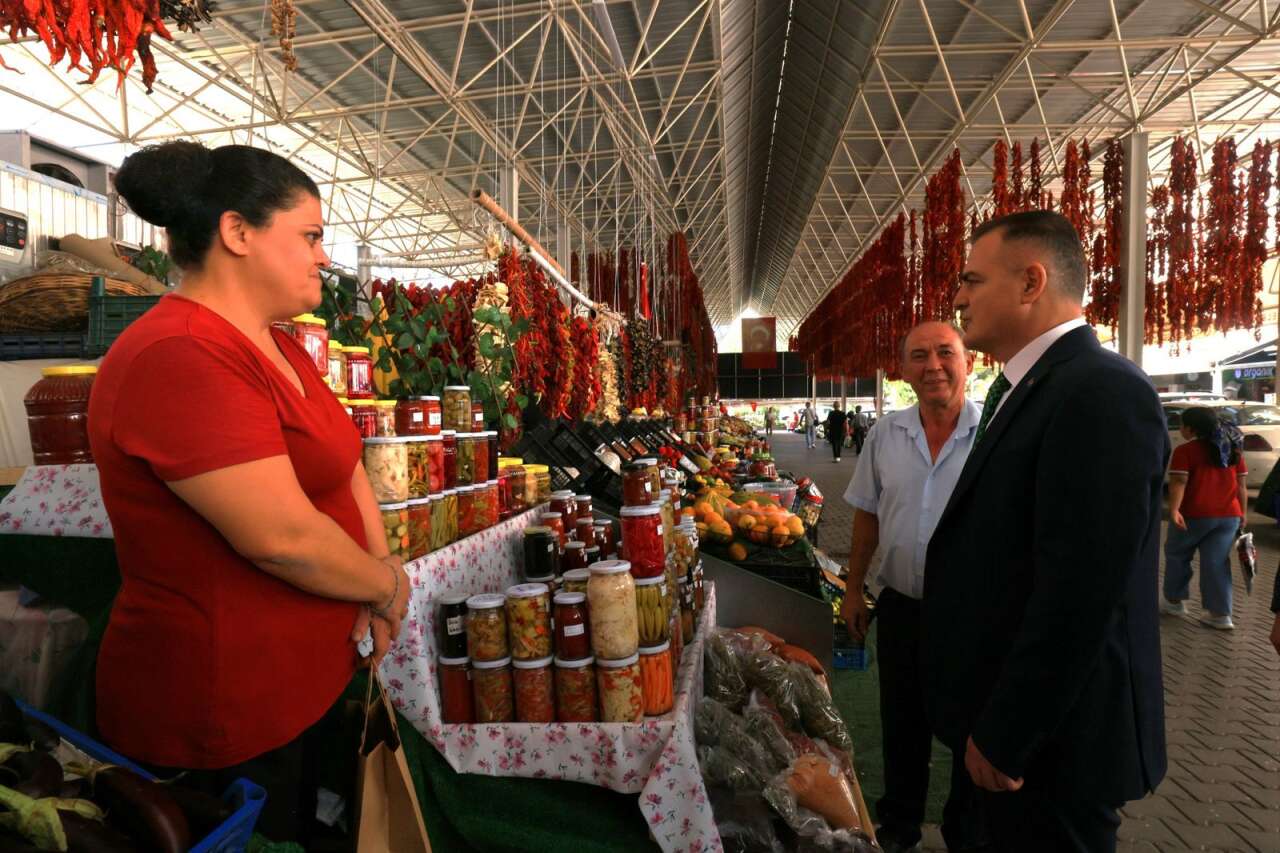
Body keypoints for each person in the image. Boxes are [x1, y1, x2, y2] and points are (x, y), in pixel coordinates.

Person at [87, 141, 411, 843]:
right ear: (238, 233)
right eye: (311, 236)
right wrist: (385, 587)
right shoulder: (182, 353)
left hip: (294, 688)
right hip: (219, 712)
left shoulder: (279, 344)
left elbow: (345, 463)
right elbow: (281, 537)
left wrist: (377, 577)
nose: (324, 256)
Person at [922, 210, 1168, 853]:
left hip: (1048, 748)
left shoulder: (1098, 393)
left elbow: (1079, 594)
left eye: (972, 280)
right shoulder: (1034, 385)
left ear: (1031, 282)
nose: (957, 297)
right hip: (1010, 731)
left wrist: (1008, 732)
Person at [841, 321, 986, 853]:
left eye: (946, 353)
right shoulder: (886, 434)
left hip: (970, 611)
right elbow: (866, 520)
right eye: (919, 356)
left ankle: (966, 828)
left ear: (969, 361)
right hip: (900, 605)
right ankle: (900, 823)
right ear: (902, 370)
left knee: (970, 721)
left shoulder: (992, 434)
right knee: (902, 720)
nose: (933, 366)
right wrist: (853, 590)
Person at [1162, 407, 1247, 630]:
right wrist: (1243, 514)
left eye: (1181, 425)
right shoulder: (1233, 447)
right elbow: (1241, 485)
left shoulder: (1185, 451)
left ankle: (1175, 602)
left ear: (1191, 428)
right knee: (1217, 562)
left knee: (1177, 554)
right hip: (1229, 515)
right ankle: (1220, 615)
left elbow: (1179, 483)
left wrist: (1174, 510)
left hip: (1194, 515)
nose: (1180, 429)